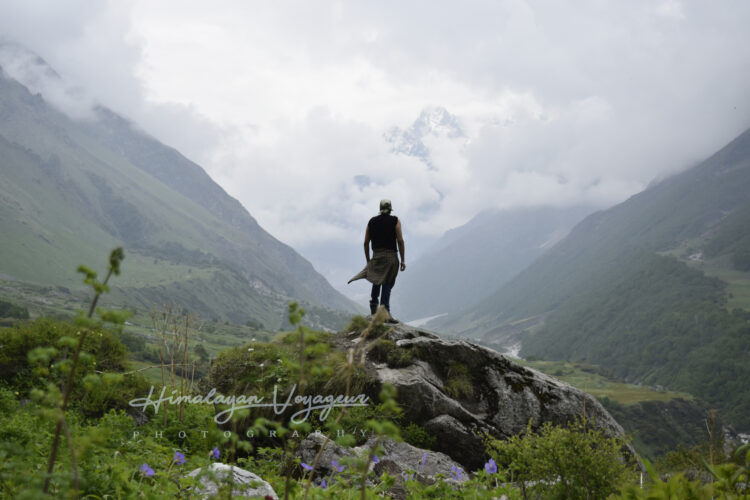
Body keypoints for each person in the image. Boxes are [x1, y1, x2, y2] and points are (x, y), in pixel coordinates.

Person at [348, 199, 406, 322]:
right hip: (391, 257)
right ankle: (384, 314)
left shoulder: (372, 222)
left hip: (376, 256)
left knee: (377, 278)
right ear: (390, 209)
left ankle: (373, 307)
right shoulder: (395, 220)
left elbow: (365, 243)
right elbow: (400, 241)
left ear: (380, 209)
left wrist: (368, 260)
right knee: (387, 282)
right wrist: (403, 260)